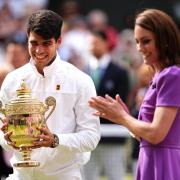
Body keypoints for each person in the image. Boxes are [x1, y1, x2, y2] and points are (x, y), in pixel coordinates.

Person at [0, 9, 100, 180]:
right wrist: (8, 140)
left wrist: (55, 140)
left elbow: (91, 137)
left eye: (46, 43)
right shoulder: (12, 80)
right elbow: (2, 134)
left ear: (59, 41)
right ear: (27, 38)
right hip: (20, 175)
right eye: (34, 43)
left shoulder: (80, 80)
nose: (39, 50)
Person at [88, 8, 180, 180]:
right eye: (137, 41)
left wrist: (123, 117)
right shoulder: (158, 77)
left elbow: (156, 134)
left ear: (164, 40)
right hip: (150, 160)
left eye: (146, 41)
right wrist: (122, 118)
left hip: (165, 164)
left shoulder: (171, 75)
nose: (140, 48)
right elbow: (145, 136)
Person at [84, 30, 129, 180]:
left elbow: (121, 103)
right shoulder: (81, 72)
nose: (92, 46)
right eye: (90, 43)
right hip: (87, 136)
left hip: (112, 138)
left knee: (115, 176)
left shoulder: (120, 72)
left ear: (105, 44)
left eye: (96, 42)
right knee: (87, 176)